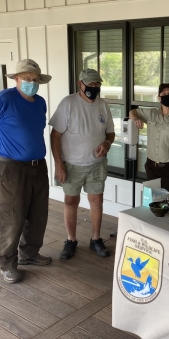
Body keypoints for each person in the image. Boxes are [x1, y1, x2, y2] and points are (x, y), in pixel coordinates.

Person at [0, 59, 52, 284]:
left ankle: (30, 254)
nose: (31, 83)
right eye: (26, 79)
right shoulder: (3, 99)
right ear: (16, 79)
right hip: (11, 168)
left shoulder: (40, 102)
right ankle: (7, 264)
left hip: (38, 166)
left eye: (35, 80)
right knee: (12, 216)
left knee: (38, 215)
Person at [49, 69, 115, 260]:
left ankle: (96, 239)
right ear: (80, 84)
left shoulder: (103, 105)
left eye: (97, 84)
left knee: (97, 201)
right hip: (72, 165)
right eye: (90, 84)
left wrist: (107, 143)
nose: (94, 88)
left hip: (96, 164)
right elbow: (55, 135)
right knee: (71, 201)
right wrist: (58, 164)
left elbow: (110, 133)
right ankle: (71, 240)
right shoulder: (68, 103)